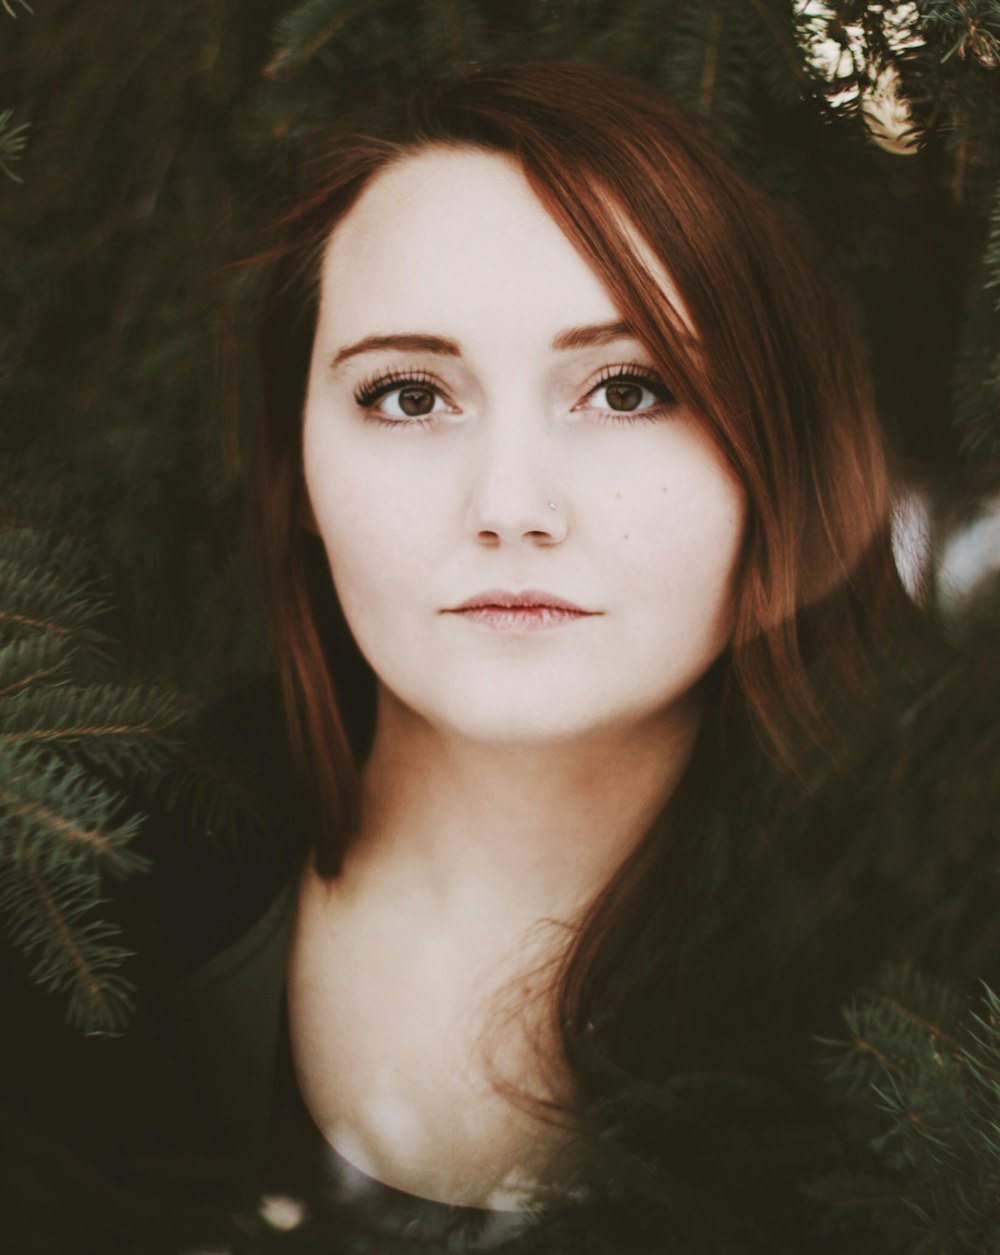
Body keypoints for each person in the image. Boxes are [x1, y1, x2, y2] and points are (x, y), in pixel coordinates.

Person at [4, 59, 966, 1254]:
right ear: (296, 471)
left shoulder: (954, 962)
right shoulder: (58, 914)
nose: (511, 505)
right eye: (408, 396)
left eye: (629, 389)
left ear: (776, 451)